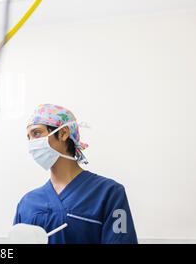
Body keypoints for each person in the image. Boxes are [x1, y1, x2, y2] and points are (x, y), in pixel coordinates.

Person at [13, 104, 138, 244]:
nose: (32, 143)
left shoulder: (108, 193)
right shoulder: (27, 203)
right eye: (28, 137)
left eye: (36, 133)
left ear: (63, 133)